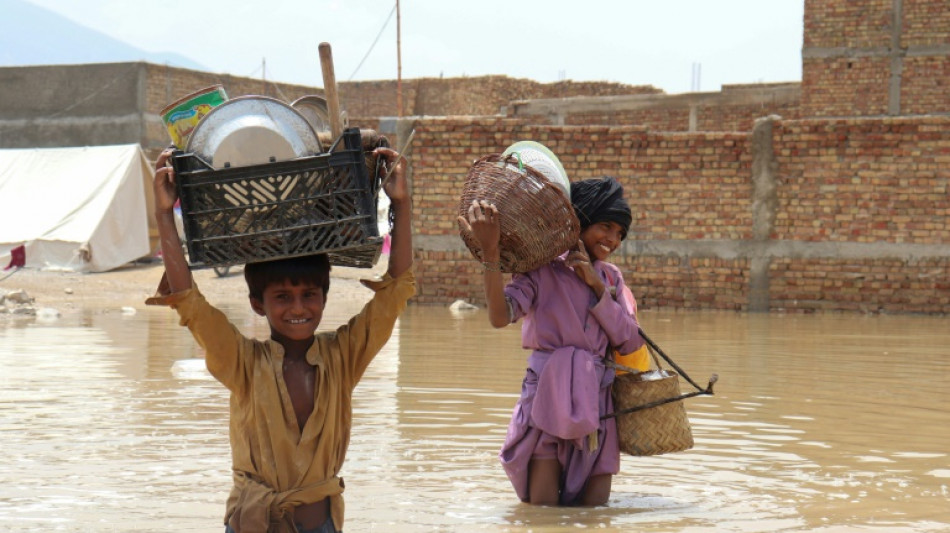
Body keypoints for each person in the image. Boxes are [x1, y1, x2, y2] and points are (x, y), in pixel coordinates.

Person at [147, 146, 415, 532]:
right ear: (258, 304)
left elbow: (395, 292)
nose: (298, 308)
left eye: (309, 295)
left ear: (324, 297)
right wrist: (164, 214)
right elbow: (190, 301)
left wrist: (401, 204)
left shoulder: (343, 356)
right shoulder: (242, 363)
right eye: (282, 297)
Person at [458, 175, 644, 507]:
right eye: (605, 226)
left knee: (595, 514)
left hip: (599, 405)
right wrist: (491, 253)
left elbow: (629, 341)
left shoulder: (611, 279)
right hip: (547, 398)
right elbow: (500, 317)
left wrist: (596, 287)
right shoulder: (541, 270)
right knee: (543, 516)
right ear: (581, 221)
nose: (612, 240)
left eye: (620, 234)